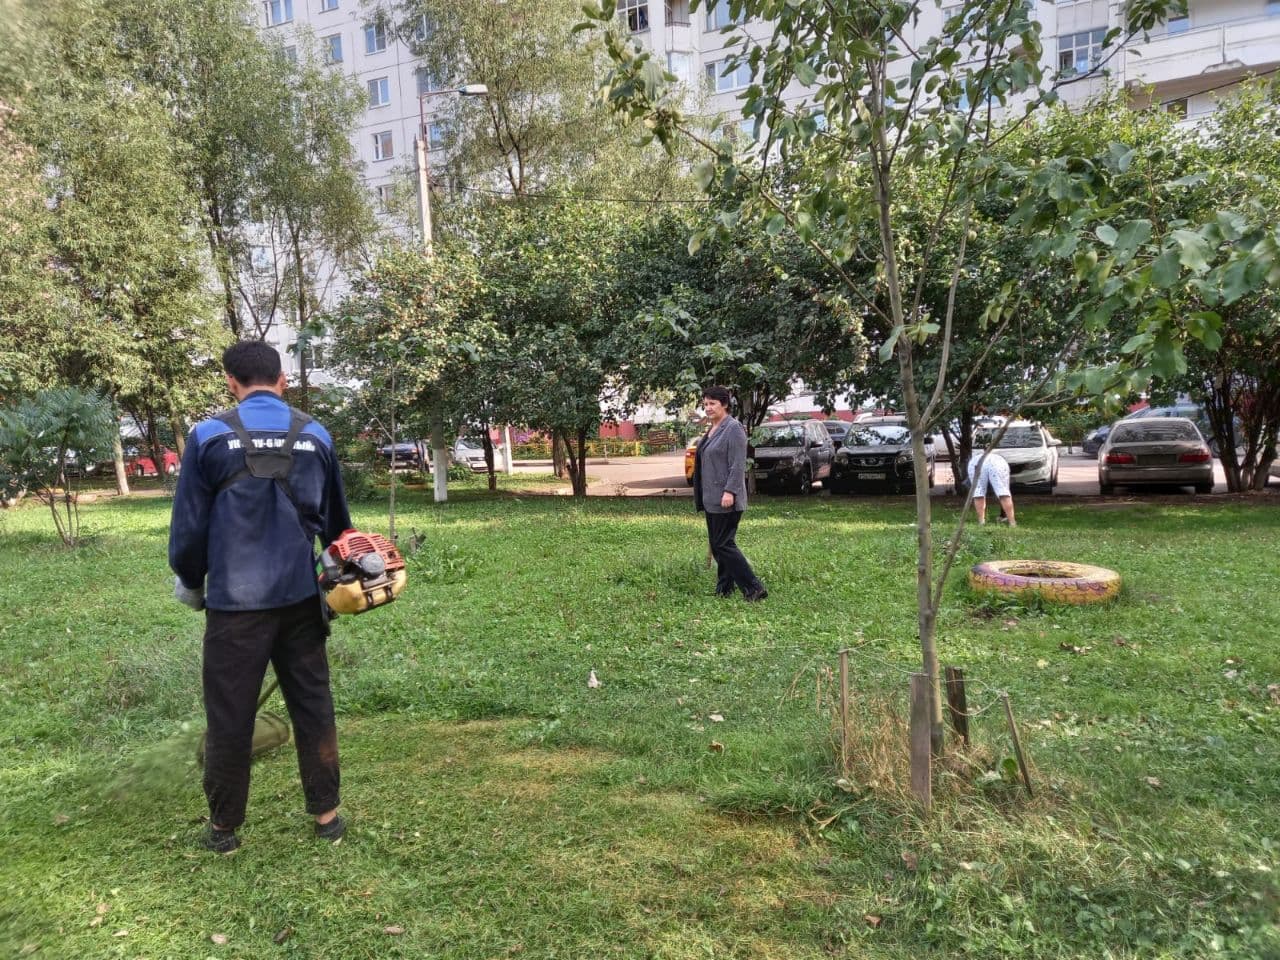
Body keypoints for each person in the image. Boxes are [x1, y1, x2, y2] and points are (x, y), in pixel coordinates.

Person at [169, 341, 352, 853]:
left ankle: (224, 830)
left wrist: (192, 580)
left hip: (234, 606)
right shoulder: (315, 435)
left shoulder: (207, 436)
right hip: (301, 600)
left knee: (230, 715)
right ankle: (327, 817)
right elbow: (338, 529)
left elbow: (188, 530)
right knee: (312, 705)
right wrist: (340, 580)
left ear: (231, 382)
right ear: (283, 381)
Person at [691, 386, 767, 601]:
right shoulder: (713, 429)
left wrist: (730, 491)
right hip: (711, 498)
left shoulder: (733, 428)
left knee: (723, 544)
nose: (708, 408)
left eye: (712, 403)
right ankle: (724, 588)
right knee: (718, 545)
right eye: (705, 404)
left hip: (726, 497)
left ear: (724, 404)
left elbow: (737, 464)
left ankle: (754, 588)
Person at [967, 448, 1016, 526]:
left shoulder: (975, 457)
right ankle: (1012, 522)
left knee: (978, 491)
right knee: (1003, 491)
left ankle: (981, 522)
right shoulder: (998, 458)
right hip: (997, 462)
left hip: (977, 462)